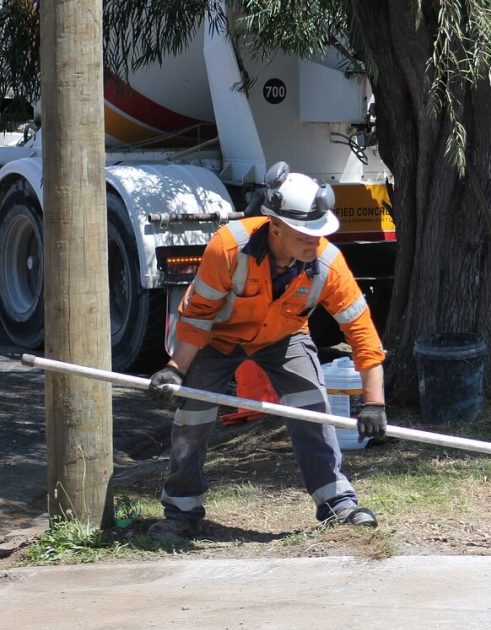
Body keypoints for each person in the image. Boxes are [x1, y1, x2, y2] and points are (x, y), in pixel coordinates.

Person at [145, 162, 388, 542]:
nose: (315, 241)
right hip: (218, 339)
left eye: (319, 232)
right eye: (305, 233)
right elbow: (197, 317)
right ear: (275, 227)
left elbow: (362, 334)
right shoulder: (227, 247)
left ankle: (336, 503)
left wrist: (374, 403)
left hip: (284, 339)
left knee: (312, 408)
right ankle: (181, 510)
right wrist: (175, 369)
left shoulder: (327, 263)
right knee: (193, 416)